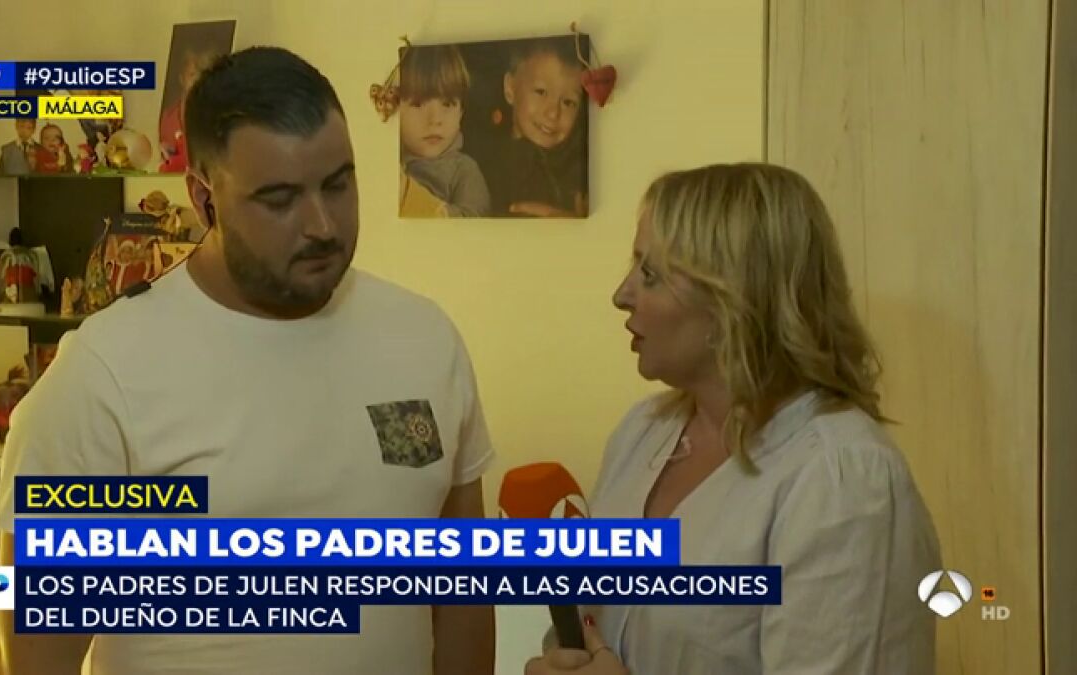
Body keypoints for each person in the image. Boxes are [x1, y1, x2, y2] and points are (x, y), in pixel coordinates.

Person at [0, 46, 496, 675]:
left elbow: (463, 594)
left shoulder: (425, 340)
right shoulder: (105, 375)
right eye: (279, 198)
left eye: (338, 184)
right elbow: (32, 658)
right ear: (203, 199)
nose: (322, 225)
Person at [526, 164, 942, 674]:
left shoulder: (842, 480)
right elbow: (597, 624)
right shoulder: (643, 432)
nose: (621, 295)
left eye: (650, 275)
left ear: (734, 298)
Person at [469, 36, 588, 218]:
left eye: (568, 102)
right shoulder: (480, 168)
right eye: (541, 92)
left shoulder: (581, 175)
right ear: (510, 88)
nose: (553, 113)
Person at [398, 44, 490, 217]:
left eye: (447, 104)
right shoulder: (385, 163)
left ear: (461, 113)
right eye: (417, 104)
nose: (435, 120)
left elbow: (474, 224)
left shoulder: (463, 170)